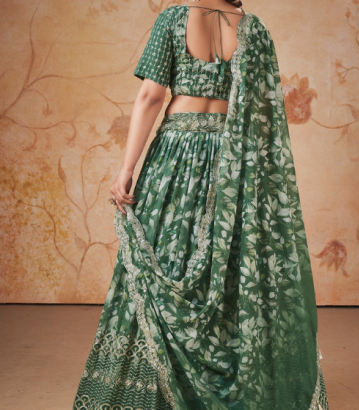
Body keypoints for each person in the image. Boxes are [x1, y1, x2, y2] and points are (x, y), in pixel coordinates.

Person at [72, 0, 330, 409]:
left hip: (176, 155)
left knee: (164, 254)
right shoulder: (255, 31)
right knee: (226, 269)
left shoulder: (173, 20)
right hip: (233, 161)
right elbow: (264, 114)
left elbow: (150, 97)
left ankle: (158, 388)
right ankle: (231, 379)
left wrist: (127, 168)